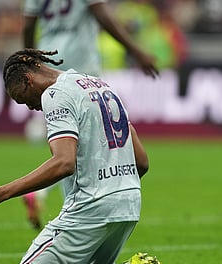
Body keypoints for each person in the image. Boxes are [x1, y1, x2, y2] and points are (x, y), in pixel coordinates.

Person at [0, 49, 189, 264]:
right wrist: (115, 186)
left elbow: (64, 162)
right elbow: (142, 162)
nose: (31, 107)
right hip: (129, 203)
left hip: (91, 206)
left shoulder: (55, 95)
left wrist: (2, 193)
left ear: (27, 81)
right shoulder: (100, 85)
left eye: (22, 98)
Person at [21, 0, 159, 229]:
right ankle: (82, 204)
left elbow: (27, 26)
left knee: (64, 137)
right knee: (92, 134)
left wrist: (29, 63)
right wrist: (135, 51)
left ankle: (46, 194)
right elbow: (102, 15)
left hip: (48, 63)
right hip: (81, 60)